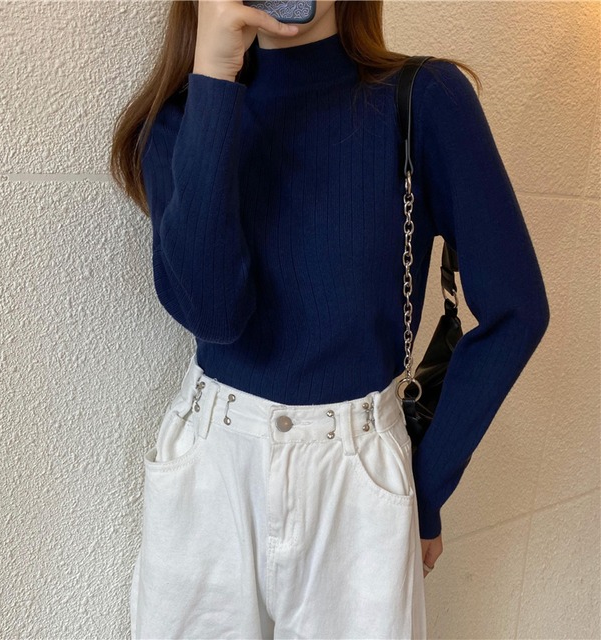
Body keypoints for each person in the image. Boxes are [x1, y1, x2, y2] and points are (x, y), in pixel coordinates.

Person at [109, 0, 550, 638]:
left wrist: (423, 492)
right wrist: (214, 74)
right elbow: (213, 314)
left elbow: (516, 310)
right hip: (212, 466)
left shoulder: (424, 99)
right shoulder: (185, 115)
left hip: (357, 474)